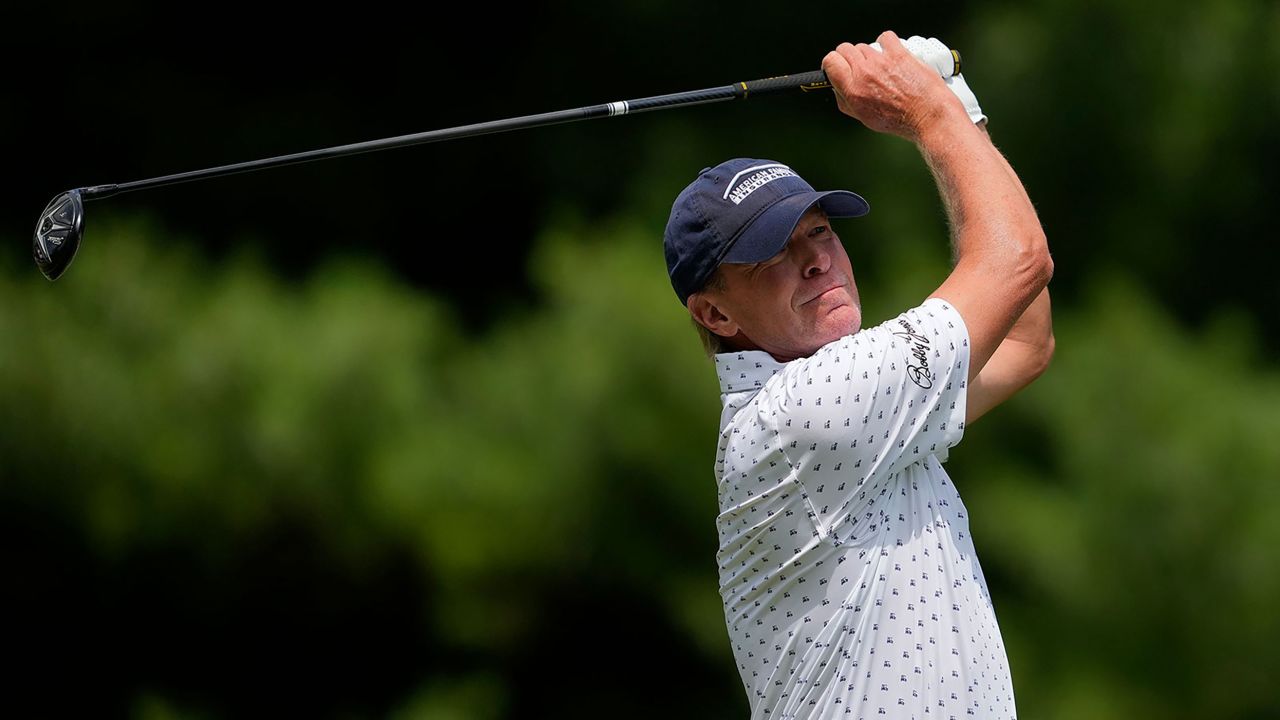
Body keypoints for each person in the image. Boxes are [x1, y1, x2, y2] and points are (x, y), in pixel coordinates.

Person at [662, 31, 1054, 719]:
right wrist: (933, 112)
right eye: (770, 255)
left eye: (819, 231)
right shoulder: (806, 413)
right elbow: (1018, 260)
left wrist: (957, 108)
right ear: (715, 314)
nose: (816, 260)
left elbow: (1025, 338)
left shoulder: (866, 413)